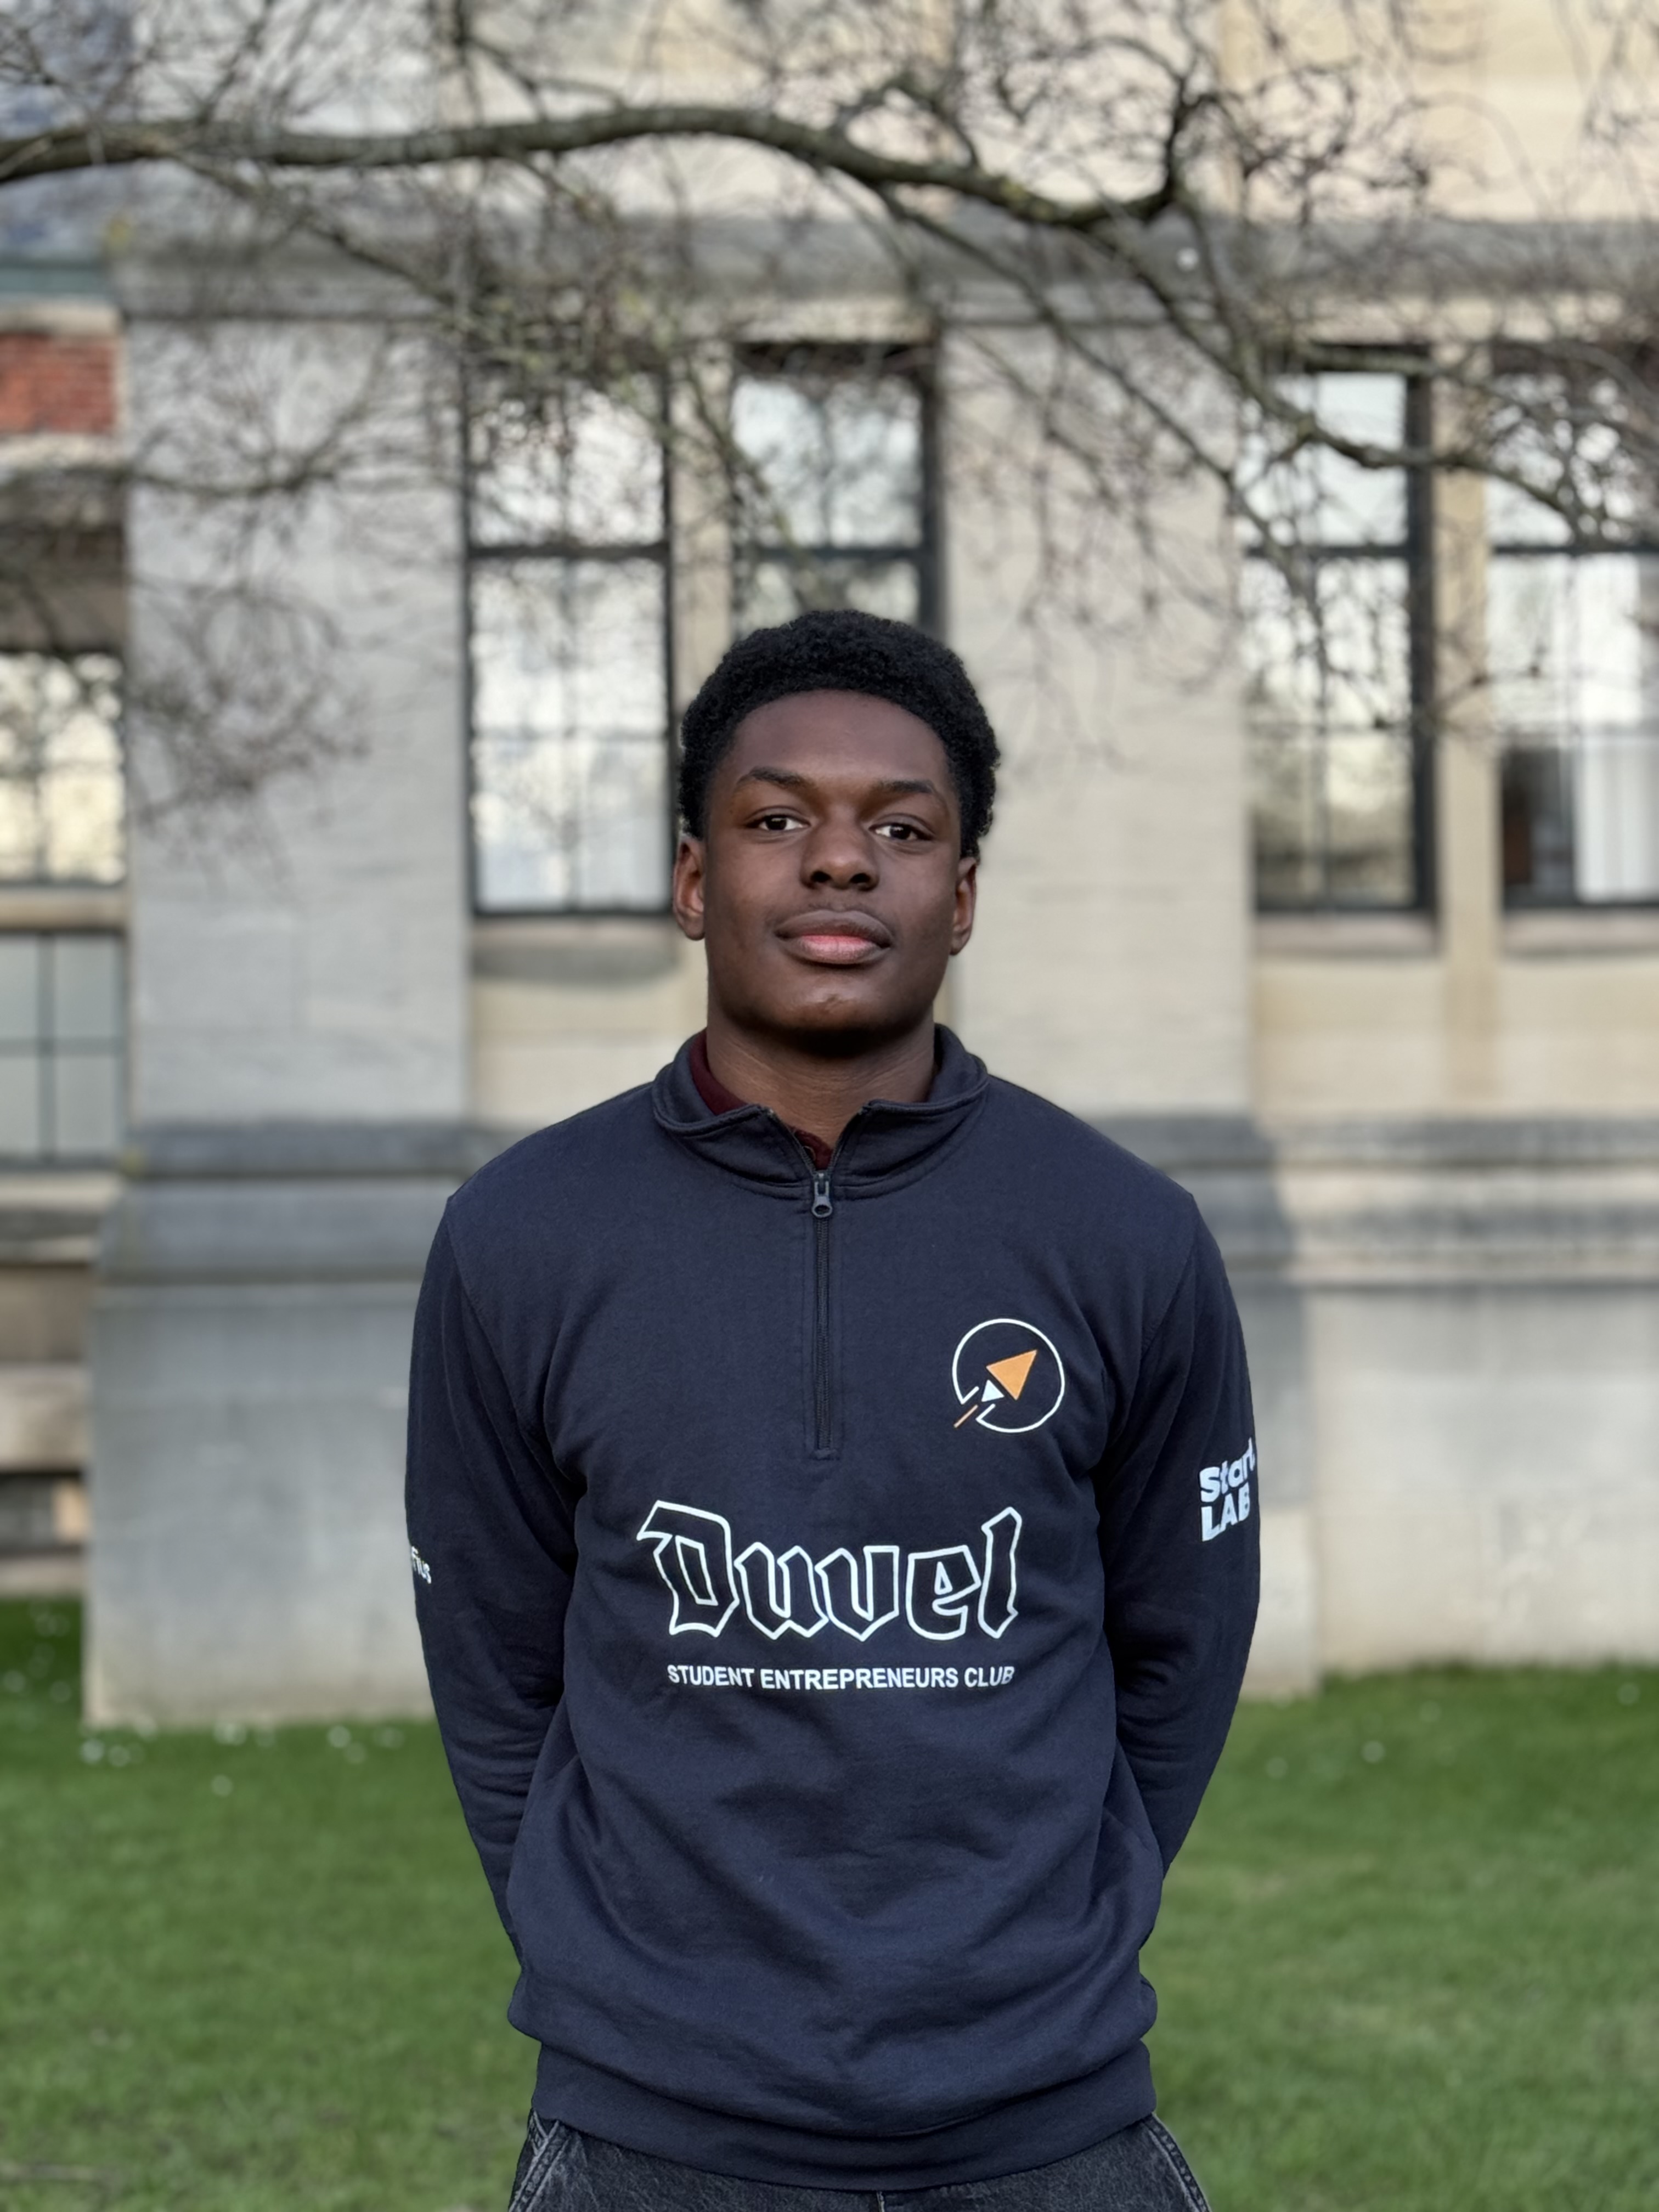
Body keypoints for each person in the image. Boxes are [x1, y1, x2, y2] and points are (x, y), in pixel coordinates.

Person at [406, 608, 1260, 2212]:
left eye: (903, 828)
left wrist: (1066, 1911)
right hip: (647, 2137)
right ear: (690, 877)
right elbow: (494, 1661)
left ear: (965, 894)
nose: (840, 863)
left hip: (1047, 2130)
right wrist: (603, 1952)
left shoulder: (1124, 1235)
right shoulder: (522, 1236)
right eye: (777, 818)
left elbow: (1184, 1639)